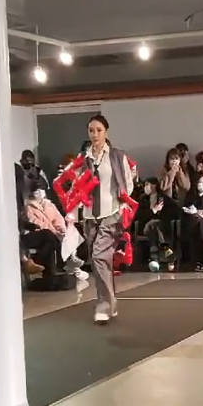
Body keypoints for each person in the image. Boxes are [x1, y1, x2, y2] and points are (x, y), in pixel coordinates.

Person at [76, 114, 135, 323]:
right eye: (91, 130)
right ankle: (111, 303)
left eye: (99, 130)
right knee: (100, 261)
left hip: (112, 213)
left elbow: (127, 183)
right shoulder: (83, 158)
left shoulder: (117, 156)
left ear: (106, 132)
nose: (95, 134)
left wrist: (122, 204)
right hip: (90, 215)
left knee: (100, 256)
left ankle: (104, 305)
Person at [24, 186, 88, 282]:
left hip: (55, 232)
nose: (39, 192)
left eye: (40, 189)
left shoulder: (49, 205)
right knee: (51, 237)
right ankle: (68, 263)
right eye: (36, 190)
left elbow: (58, 219)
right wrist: (54, 231)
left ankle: (73, 260)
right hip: (41, 233)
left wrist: (62, 230)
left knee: (71, 233)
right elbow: (36, 223)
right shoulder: (28, 207)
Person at [136, 177, 180, 271]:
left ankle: (154, 259)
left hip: (160, 226)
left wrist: (162, 214)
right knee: (152, 224)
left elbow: (176, 211)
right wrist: (153, 211)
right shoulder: (143, 199)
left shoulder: (163, 198)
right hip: (145, 226)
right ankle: (166, 248)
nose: (146, 187)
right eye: (145, 185)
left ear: (154, 185)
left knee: (154, 226)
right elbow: (139, 215)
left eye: (148, 184)